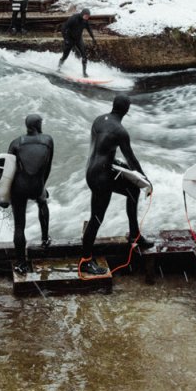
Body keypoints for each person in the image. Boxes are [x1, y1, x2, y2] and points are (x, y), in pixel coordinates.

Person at [79, 95, 152, 276]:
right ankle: (85, 261)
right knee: (96, 218)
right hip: (102, 177)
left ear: (113, 106)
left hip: (92, 170)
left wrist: (116, 163)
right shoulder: (120, 131)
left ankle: (134, 234)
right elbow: (131, 159)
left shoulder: (98, 120)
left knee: (132, 190)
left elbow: (101, 149)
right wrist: (146, 179)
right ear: (127, 110)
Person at [8, 113, 54, 274]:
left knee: (19, 226)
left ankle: (21, 263)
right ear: (38, 125)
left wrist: (5, 196)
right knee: (42, 203)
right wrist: (42, 186)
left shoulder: (16, 143)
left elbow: (8, 171)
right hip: (36, 186)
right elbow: (47, 167)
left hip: (19, 187)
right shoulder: (48, 141)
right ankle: (45, 238)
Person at [58, 7, 95, 77]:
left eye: (88, 16)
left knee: (84, 56)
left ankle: (84, 73)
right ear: (82, 14)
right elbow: (64, 28)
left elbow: (89, 29)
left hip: (78, 39)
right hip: (70, 39)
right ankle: (58, 68)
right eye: (86, 16)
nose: (87, 18)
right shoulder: (74, 18)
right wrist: (66, 39)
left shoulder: (85, 21)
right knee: (65, 56)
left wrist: (93, 38)